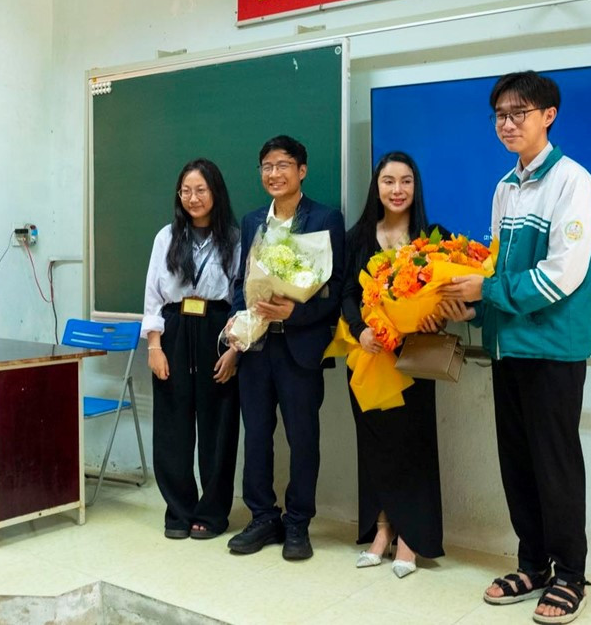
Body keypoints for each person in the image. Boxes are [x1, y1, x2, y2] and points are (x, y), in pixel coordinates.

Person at [441, 70, 591, 624]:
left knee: (556, 465)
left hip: (553, 348)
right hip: (507, 347)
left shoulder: (574, 181)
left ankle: (571, 575)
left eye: (519, 113)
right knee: (518, 464)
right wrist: (473, 308)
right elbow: (495, 267)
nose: (507, 124)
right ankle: (532, 564)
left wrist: (485, 292)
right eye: (500, 116)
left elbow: (562, 275)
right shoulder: (505, 186)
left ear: (548, 115)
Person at [226, 135, 345, 561]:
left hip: (300, 347)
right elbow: (242, 282)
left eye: (283, 165)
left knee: (303, 438)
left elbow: (334, 291)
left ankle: (297, 522)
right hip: (256, 348)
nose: (274, 174)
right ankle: (262, 517)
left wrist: (295, 313)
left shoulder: (325, 219)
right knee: (257, 436)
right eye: (267, 166)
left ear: (302, 170)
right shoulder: (252, 220)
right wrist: (239, 321)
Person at [341, 151, 447, 578]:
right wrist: (360, 329)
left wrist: (436, 316)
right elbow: (346, 293)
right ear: (377, 186)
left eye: (406, 181)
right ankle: (382, 530)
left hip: (414, 360)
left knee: (413, 447)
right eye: (388, 181)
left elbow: (446, 296)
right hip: (368, 357)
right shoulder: (357, 237)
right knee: (375, 447)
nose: (397, 189)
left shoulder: (432, 240)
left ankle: (411, 537)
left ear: (415, 187)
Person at [142, 158, 241, 540]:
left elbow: (243, 298)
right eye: (186, 191)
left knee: (218, 427)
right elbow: (153, 296)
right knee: (172, 425)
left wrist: (235, 350)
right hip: (175, 329)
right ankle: (179, 510)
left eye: (201, 190)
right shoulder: (165, 237)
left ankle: (213, 513)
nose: (193, 198)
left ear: (215, 192)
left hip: (218, 330)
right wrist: (154, 346)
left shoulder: (234, 238)